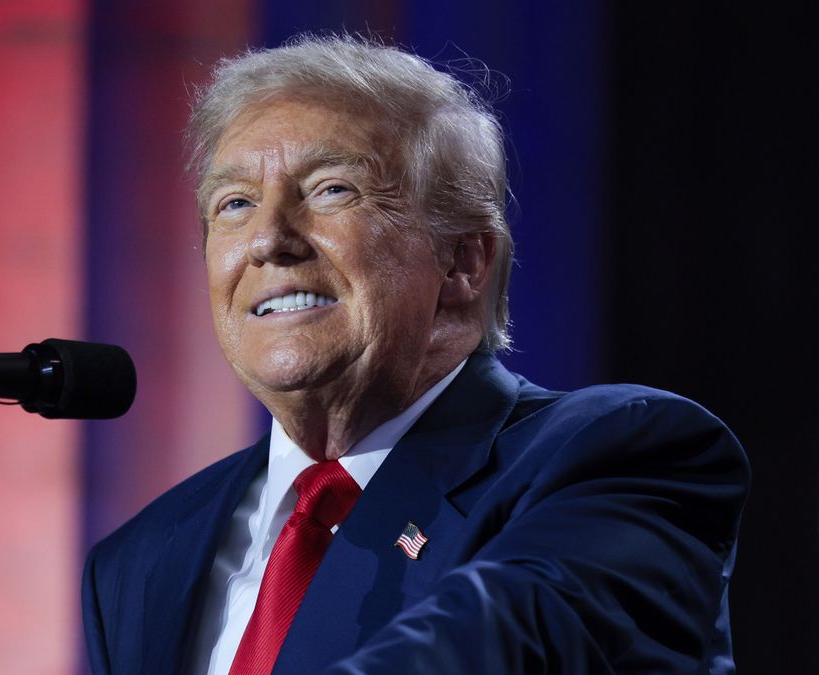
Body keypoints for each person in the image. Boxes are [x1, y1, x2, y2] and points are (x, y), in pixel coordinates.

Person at [81, 35, 748, 675]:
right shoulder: (142, 560)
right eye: (235, 203)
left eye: (330, 190)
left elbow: (504, 641)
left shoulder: (621, 456)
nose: (268, 240)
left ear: (462, 261)